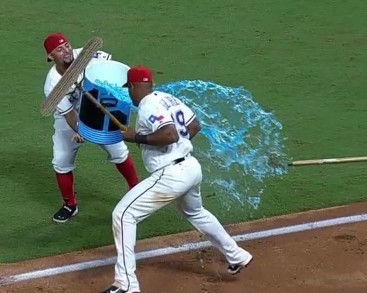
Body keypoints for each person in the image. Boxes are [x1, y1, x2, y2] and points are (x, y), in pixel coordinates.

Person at [101, 66, 253, 293]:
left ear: (132, 86)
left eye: (129, 89)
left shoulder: (147, 106)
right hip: (191, 167)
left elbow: (169, 135)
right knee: (196, 212)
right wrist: (174, 145)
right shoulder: (166, 98)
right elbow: (194, 126)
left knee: (123, 215)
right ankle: (236, 255)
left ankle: (126, 284)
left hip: (171, 175)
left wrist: (137, 137)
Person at [43, 32, 140, 223]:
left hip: (98, 110)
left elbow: (115, 71)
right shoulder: (53, 85)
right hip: (70, 122)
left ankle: (137, 192)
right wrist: (82, 131)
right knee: (61, 163)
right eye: (59, 50)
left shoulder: (87, 57)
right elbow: (70, 115)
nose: (67, 51)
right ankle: (70, 205)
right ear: (50, 56)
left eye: (68, 46)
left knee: (119, 151)